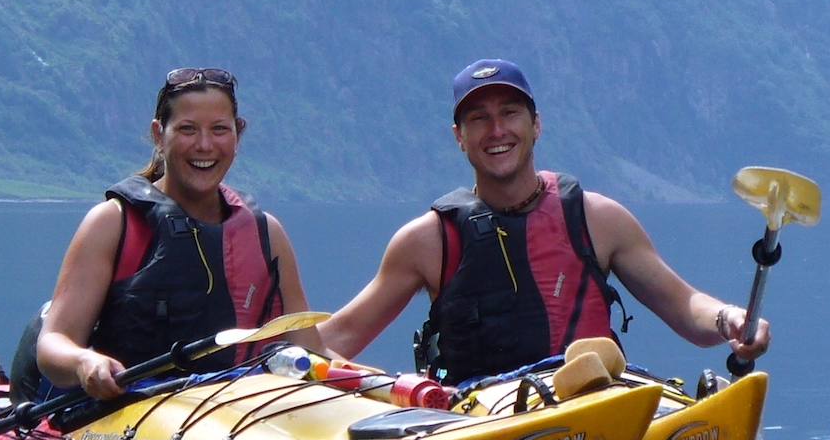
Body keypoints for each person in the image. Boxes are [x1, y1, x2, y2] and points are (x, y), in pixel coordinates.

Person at [319, 59, 770, 384]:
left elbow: (684, 307)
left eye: (510, 113)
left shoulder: (600, 219)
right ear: (459, 138)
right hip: (481, 421)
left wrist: (730, 318)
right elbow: (339, 336)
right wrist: (267, 352)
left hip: (596, 405)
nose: (497, 131)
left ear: (537, 124)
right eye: (479, 119)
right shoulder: (425, 241)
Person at [18, 68, 319, 403]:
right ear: (159, 135)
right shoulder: (113, 224)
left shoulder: (268, 235)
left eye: (220, 129)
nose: (205, 145)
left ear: (238, 134)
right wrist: (85, 362)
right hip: (126, 414)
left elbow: (312, 351)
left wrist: (376, 384)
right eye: (187, 129)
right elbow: (53, 344)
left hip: (238, 415)